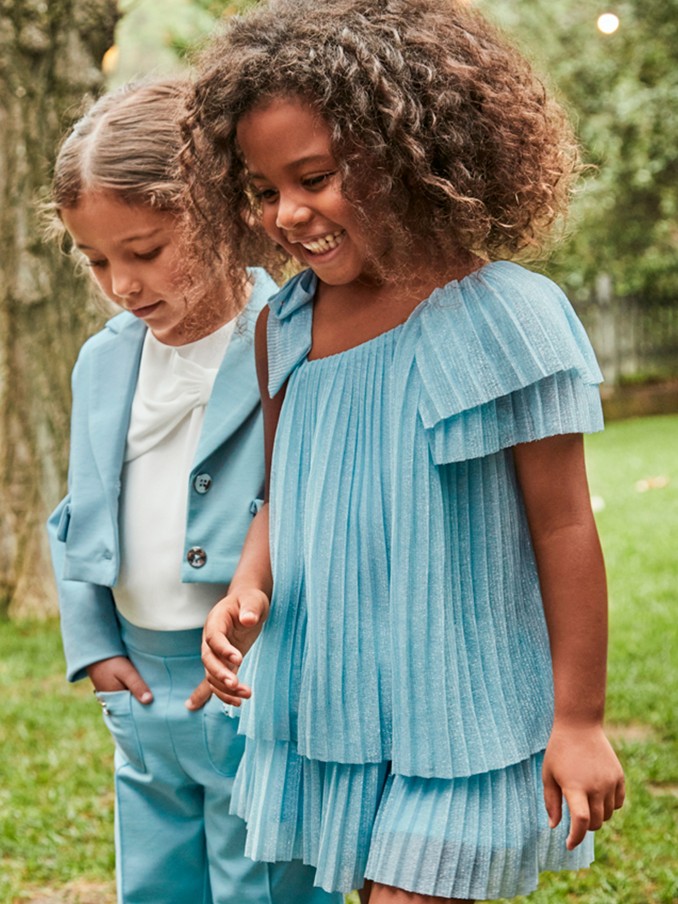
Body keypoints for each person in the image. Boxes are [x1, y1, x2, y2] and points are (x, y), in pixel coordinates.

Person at [182, 1, 626, 902]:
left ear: (410, 145)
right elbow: (283, 489)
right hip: (336, 703)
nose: (288, 214)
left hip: (464, 711)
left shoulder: (505, 315)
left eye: (315, 176)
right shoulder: (284, 326)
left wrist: (577, 717)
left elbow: (566, 525)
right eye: (265, 191)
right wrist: (245, 587)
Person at [46, 78, 341, 904]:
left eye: (144, 251)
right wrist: (95, 646)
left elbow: (310, 509)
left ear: (221, 209)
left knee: (266, 883)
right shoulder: (104, 359)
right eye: (97, 259)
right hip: (140, 678)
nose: (122, 284)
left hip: (259, 681)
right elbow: (78, 510)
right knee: (154, 879)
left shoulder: (297, 338)